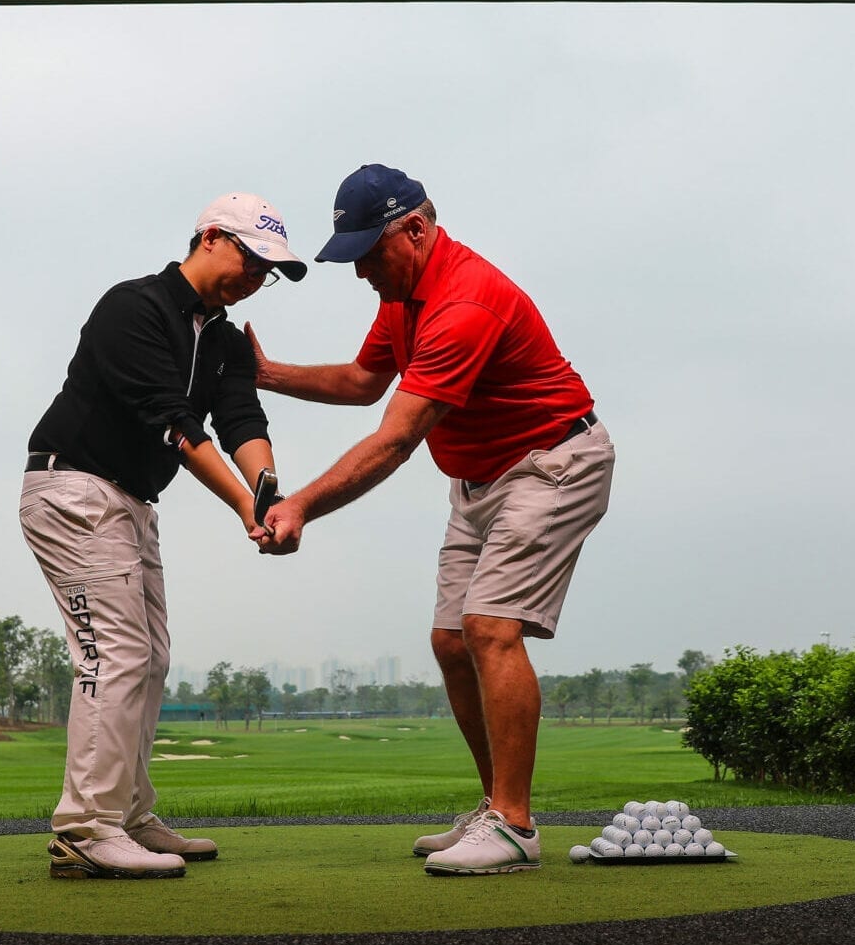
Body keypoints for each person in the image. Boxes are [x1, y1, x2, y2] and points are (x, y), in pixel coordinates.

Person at [249, 164, 614, 876]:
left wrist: (299, 506)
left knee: (490, 628)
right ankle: (494, 805)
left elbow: (393, 439)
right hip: (477, 479)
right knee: (451, 640)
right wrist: (268, 374)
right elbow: (363, 382)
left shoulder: (464, 301)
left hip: (553, 462)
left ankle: (514, 823)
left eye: (366, 254)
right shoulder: (404, 294)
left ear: (414, 229)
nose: (360, 274)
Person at [21, 192, 305, 879]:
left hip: (132, 501)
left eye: (270, 270)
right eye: (252, 257)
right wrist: (243, 504)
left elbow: (239, 418)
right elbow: (174, 423)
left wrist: (269, 493)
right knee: (114, 654)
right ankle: (86, 826)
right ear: (210, 236)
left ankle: (127, 813)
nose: (257, 276)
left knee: (149, 659)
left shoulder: (229, 343)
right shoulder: (134, 308)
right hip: (74, 488)